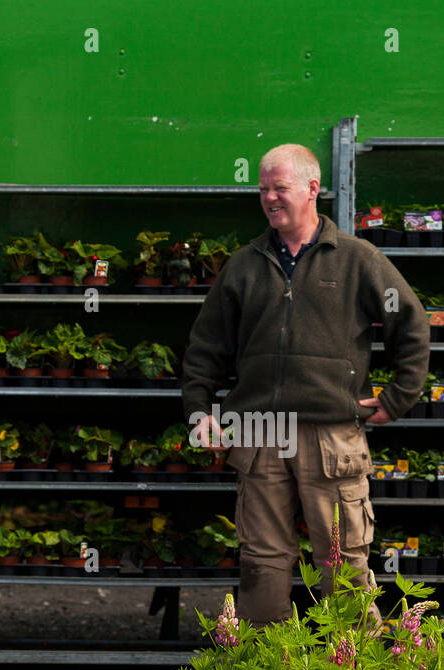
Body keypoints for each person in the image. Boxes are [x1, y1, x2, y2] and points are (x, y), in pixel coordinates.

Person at [181, 143, 429, 625]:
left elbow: (412, 325)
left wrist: (397, 398)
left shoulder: (358, 260)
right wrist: (199, 409)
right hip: (260, 434)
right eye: (263, 189)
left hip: (331, 434)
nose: (270, 198)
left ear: (313, 189)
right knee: (262, 562)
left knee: (344, 563)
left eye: (281, 188)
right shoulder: (244, 266)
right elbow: (204, 347)